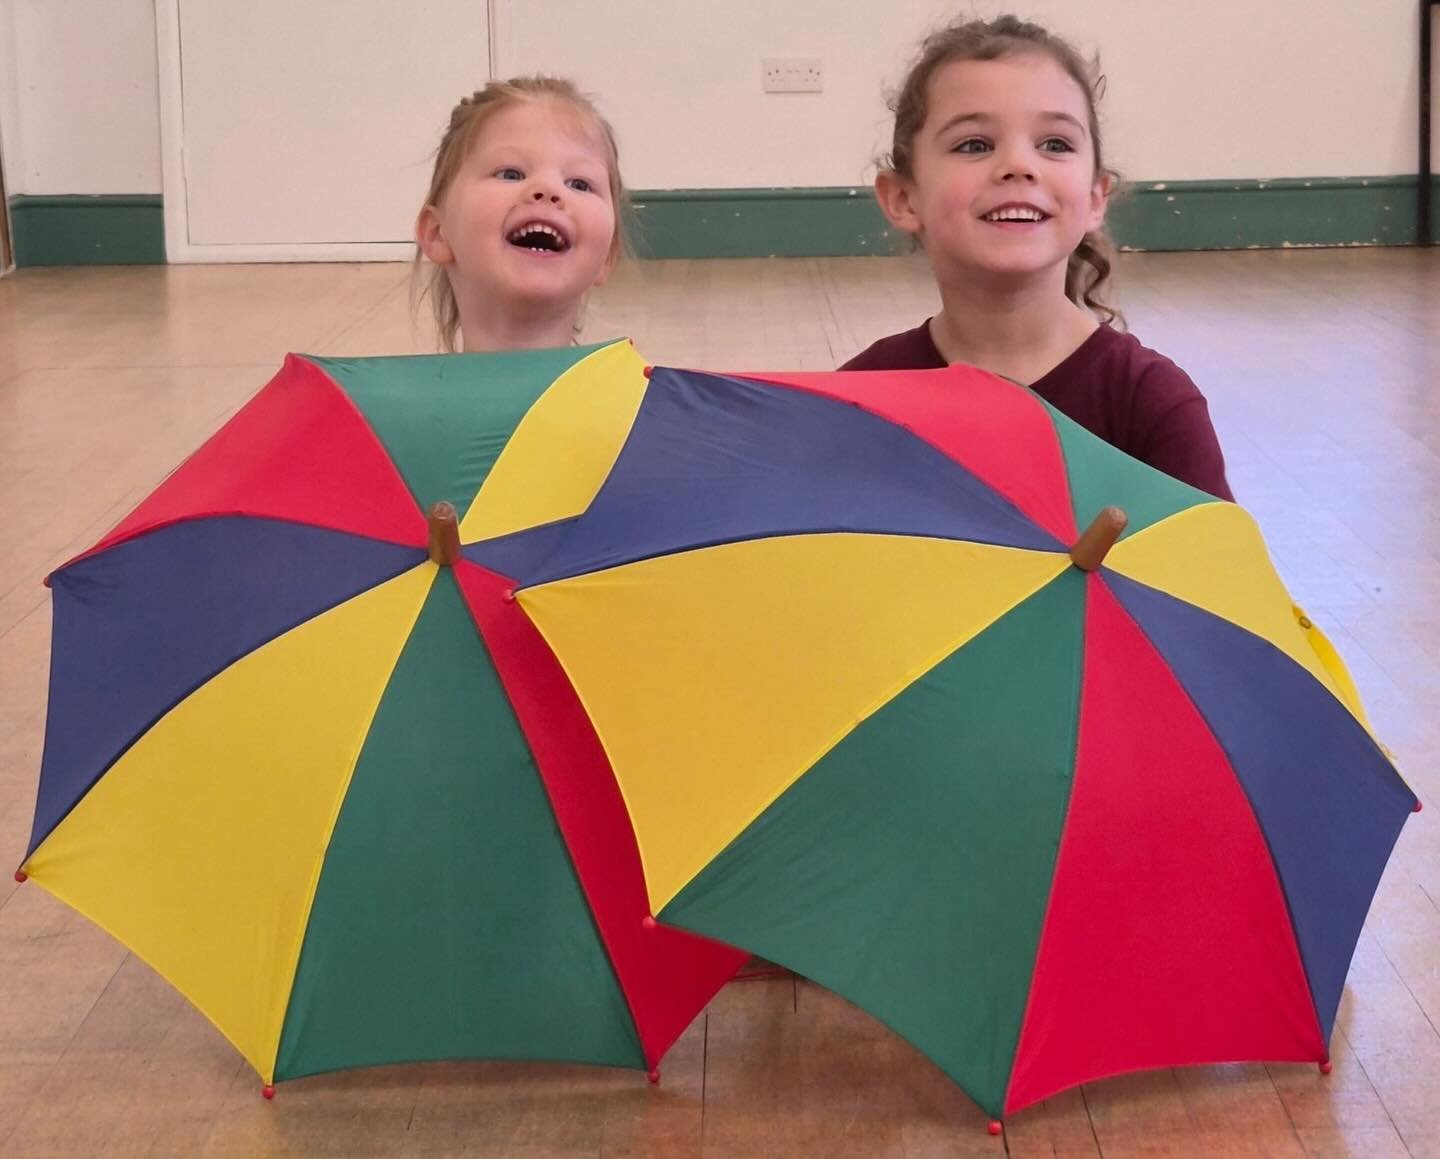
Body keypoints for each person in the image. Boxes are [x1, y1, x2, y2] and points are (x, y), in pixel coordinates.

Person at [843, 15, 1233, 501]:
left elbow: (1207, 572)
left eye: (1055, 144)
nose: (1019, 166)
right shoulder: (860, 399)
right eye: (974, 144)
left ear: (1095, 197)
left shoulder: (1150, 403)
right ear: (904, 198)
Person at [414, 76, 626, 353]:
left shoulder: (648, 396)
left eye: (579, 184)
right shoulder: (373, 396)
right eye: (511, 174)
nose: (549, 189)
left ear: (607, 255)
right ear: (437, 233)